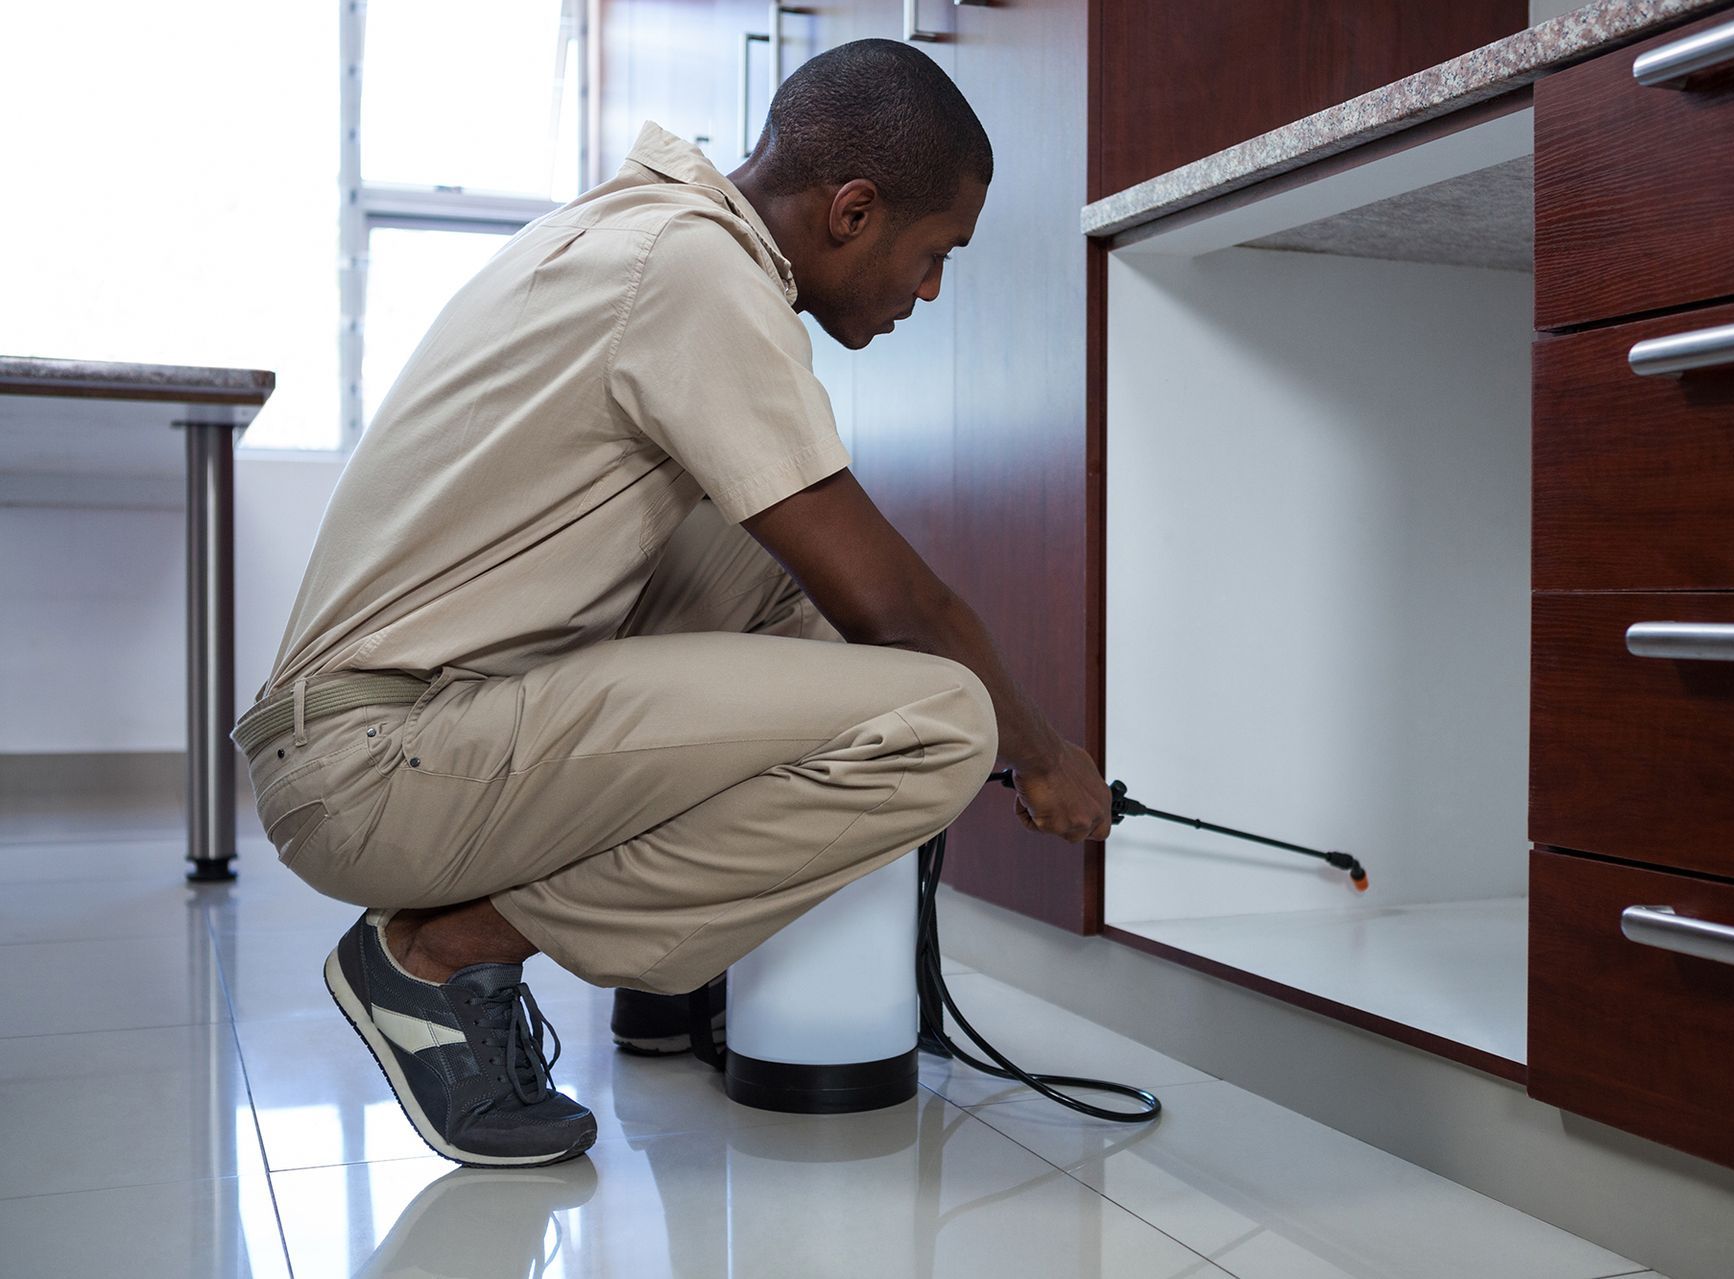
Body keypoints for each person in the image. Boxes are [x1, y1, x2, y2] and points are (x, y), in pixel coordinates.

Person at [231, 38, 1111, 1169]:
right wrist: (1044, 756)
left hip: (391, 734)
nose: (930, 290)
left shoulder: (646, 236)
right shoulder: (693, 276)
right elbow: (898, 605)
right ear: (853, 210)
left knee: (770, 570)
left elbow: (831, 591)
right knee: (937, 720)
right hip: (374, 770)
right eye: (934, 253)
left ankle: (669, 990)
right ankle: (440, 957)